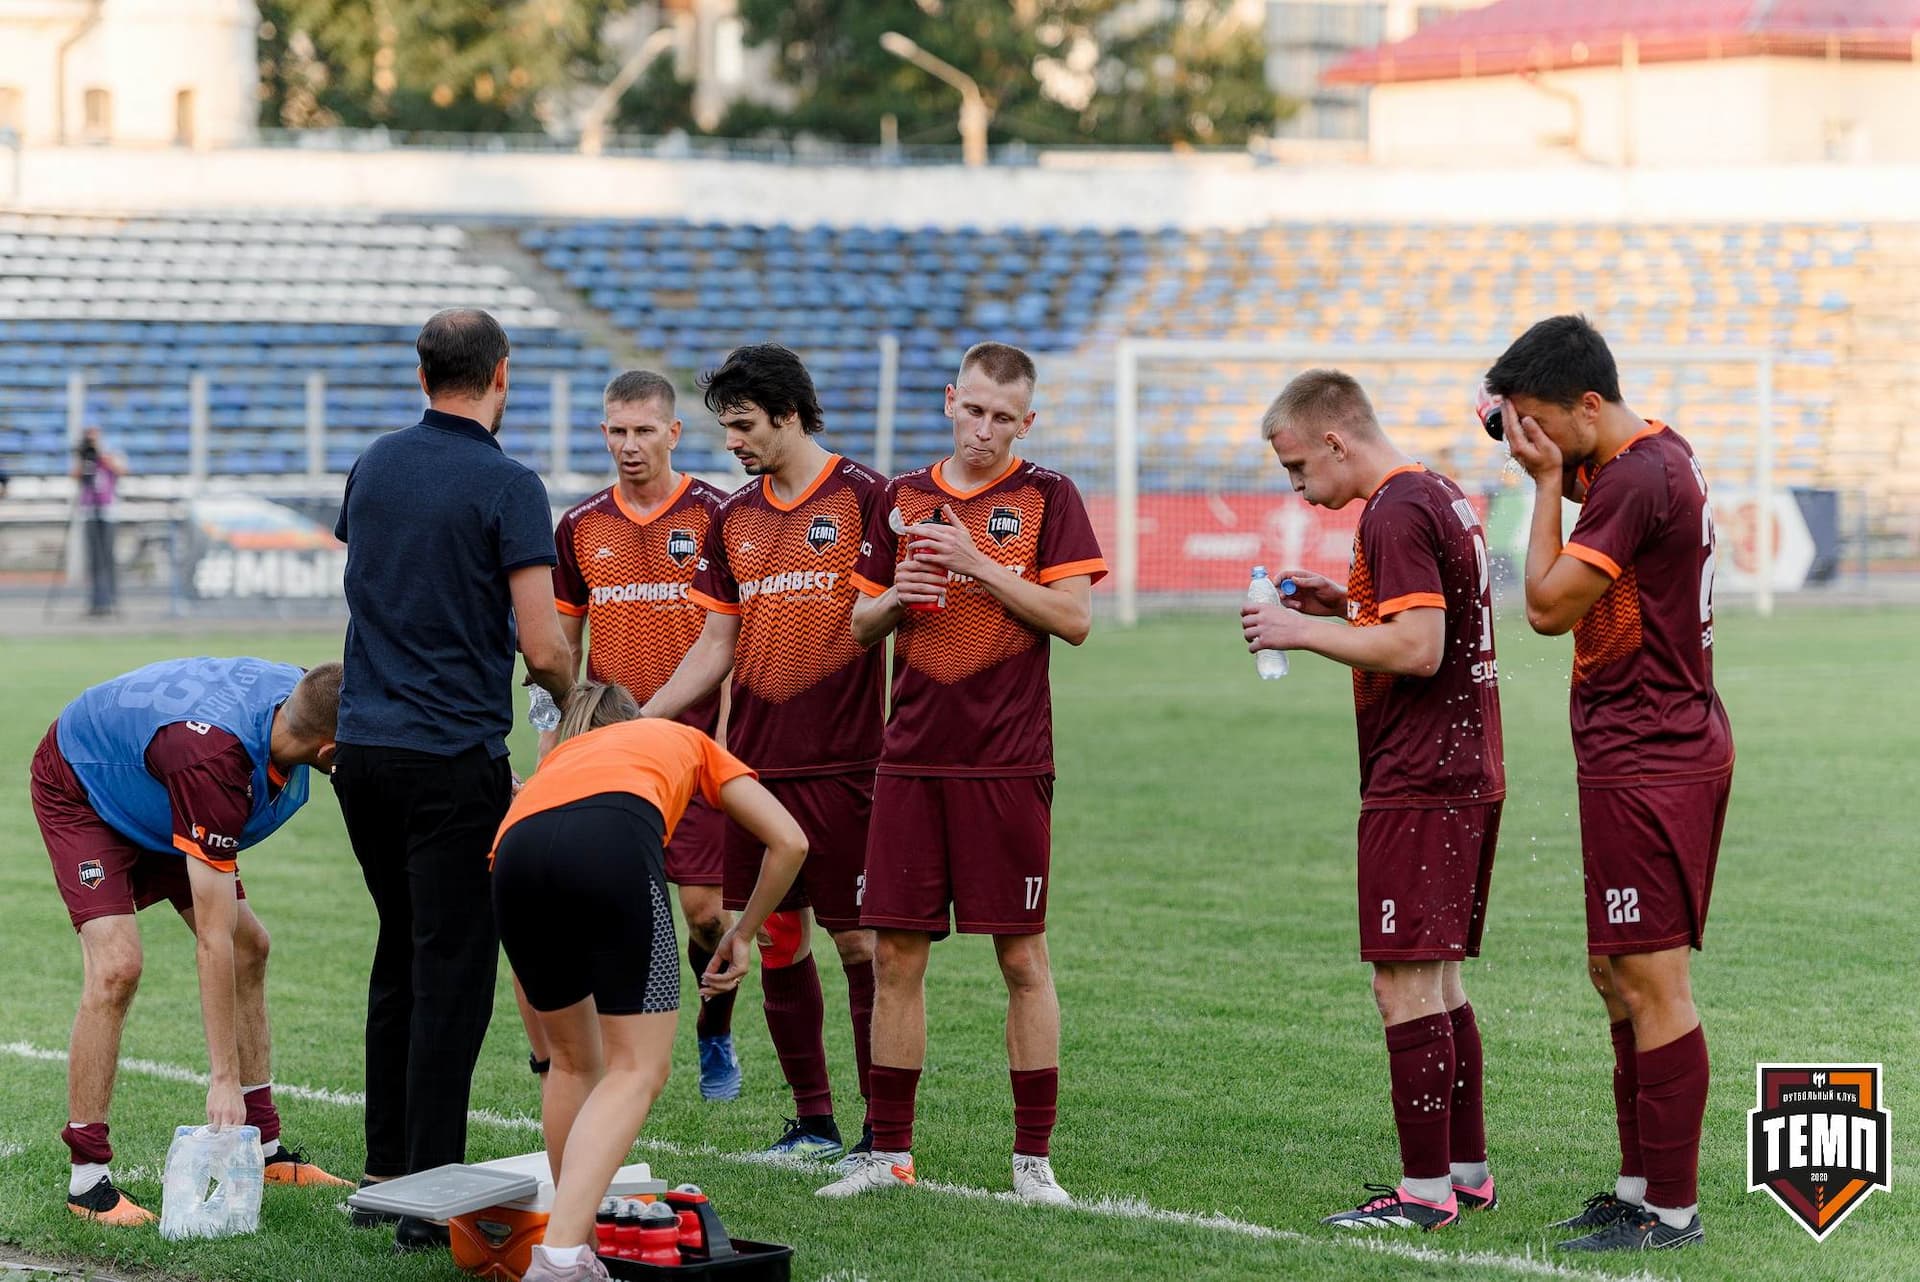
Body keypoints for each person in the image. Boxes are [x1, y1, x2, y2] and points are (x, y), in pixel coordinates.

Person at [819, 341, 1106, 1203]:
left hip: (1006, 764)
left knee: (1021, 959)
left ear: (1028, 422)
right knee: (896, 956)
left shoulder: (1049, 496)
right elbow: (858, 625)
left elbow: (1075, 620)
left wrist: (979, 564)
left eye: (1002, 417)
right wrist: (896, 598)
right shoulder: (901, 497)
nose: (983, 429)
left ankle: (1033, 1163)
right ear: (950, 401)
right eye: (973, 410)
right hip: (909, 760)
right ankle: (889, 1155)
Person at [331, 308, 574, 1252]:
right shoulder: (509, 483)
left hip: (362, 748)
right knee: (455, 972)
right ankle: (428, 1198)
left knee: (400, 952)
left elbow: (382, 581)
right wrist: (583, 701)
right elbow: (542, 643)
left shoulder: (375, 463)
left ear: (421, 372)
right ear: (501, 374)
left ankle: (384, 1172)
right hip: (449, 756)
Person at [1239, 370, 1505, 1231]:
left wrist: (1303, 630)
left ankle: (1424, 1195)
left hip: (1422, 776)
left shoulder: (1393, 509)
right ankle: (1465, 1173)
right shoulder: (1437, 492)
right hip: (1463, 768)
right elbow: (1428, 623)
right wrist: (1347, 604)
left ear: (1334, 440)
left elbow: (1421, 648)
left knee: (1402, 987)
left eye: (1296, 467)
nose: (1296, 485)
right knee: (1440, 981)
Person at [1489, 315, 1731, 1252]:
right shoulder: (1644, 458)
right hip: (1635, 750)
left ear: (1589, 405)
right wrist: (1533, 442)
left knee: (1650, 979)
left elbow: (1547, 607)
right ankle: (1638, 1189)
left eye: (1541, 421)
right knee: (1614, 973)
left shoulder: (1633, 477)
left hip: (1655, 755)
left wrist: (1544, 482)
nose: (1532, 440)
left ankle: (1671, 1210)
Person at [643, 343, 886, 1162]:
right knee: (777, 938)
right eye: (726, 427)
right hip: (753, 766)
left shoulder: (866, 498)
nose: (732, 442)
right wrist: (641, 718)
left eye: (744, 425)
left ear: (789, 414)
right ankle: (814, 1123)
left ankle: (882, 1130)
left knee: (861, 945)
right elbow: (715, 643)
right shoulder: (733, 517)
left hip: (849, 762)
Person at [495, 682, 807, 1282]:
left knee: (570, 1065)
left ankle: (577, 1250)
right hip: (610, 842)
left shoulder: (555, 765)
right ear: (633, 719)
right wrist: (743, 932)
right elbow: (790, 841)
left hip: (513, 852)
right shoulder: (676, 736)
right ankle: (559, 1257)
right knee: (638, 1068)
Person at [32, 657, 351, 1224]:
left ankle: (264, 1146)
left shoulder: (310, 688)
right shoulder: (213, 762)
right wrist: (222, 1079)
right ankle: (87, 1182)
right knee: (117, 967)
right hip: (84, 785)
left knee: (252, 946)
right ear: (329, 753)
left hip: (161, 786)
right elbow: (211, 938)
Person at [538, 370, 742, 1102]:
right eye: (618, 431)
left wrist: (726, 741)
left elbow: (732, 639)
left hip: (694, 748)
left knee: (706, 914)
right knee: (609, 908)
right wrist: (550, 749)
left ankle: (715, 1028)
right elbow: (559, 654)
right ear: (603, 433)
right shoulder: (580, 526)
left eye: (644, 431)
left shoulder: (719, 514)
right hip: (611, 754)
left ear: (673, 433)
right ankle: (610, 1058)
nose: (630, 445)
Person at [72, 427, 126, 617]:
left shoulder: (112, 453)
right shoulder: (84, 457)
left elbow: (121, 471)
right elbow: (75, 476)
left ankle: (111, 598)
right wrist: (85, 459)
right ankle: (95, 600)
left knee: (108, 556)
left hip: (107, 509)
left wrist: (102, 455)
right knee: (93, 558)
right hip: (88, 509)